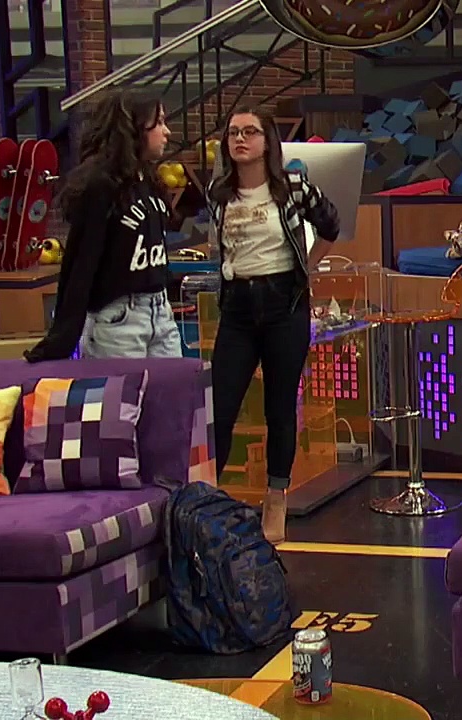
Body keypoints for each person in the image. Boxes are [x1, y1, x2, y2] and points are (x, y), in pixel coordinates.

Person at [205, 108, 340, 543]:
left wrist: (307, 267)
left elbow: (331, 225)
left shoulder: (293, 187)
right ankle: (206, 498)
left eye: (250, 132)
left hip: (285, 304)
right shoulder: (218, 192)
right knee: (219, 408)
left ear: (268, 141)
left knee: (279, 408)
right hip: (238, 309)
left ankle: (276, 497)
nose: (239, 139)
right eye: (233, 132)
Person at [24, 89, 180, 362]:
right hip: (119, 321)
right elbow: (81, 264)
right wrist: (61, 337)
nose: (166, 132)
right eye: (158, 123)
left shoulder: (149, 181)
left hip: (161, 313)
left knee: (172, 390)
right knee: (122, 392)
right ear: (134, 128)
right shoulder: (101, 185)